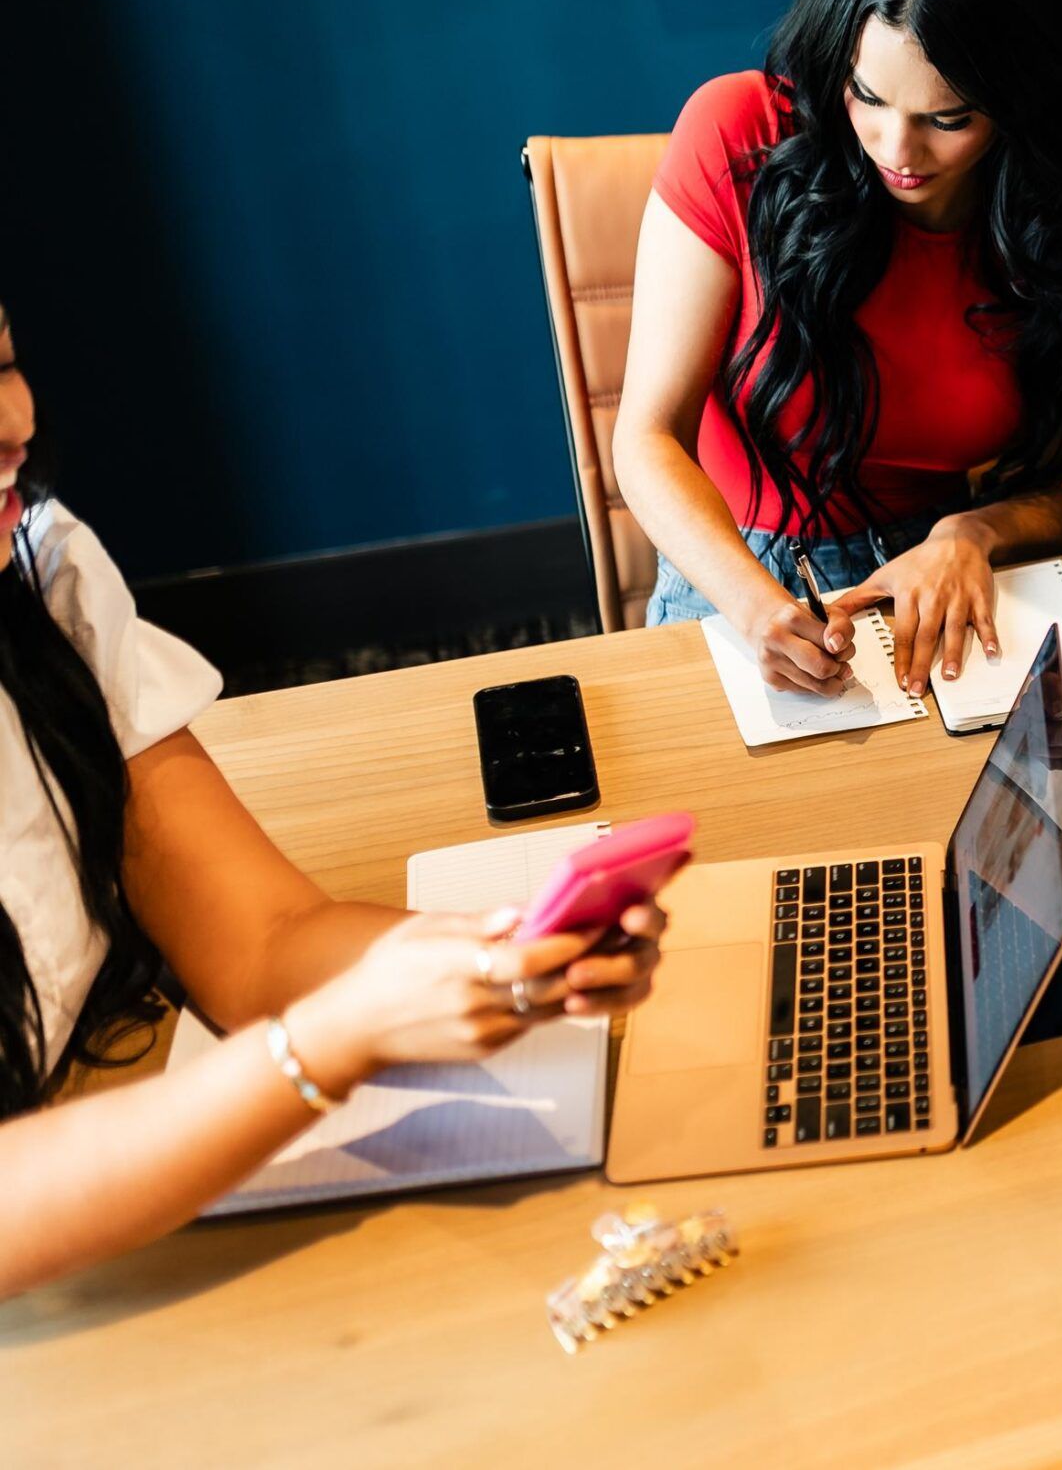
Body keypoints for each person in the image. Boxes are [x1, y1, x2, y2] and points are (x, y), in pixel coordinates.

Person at [0, 303, 667, 1298]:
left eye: (6, 362)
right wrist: (325, 1042)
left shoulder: (42, 572)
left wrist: (495, 958)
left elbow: (263, 937)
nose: (17, 421)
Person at [619, 0, 1062, 697]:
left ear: (1017, 108)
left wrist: (971, 532)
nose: (896, 148)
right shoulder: (737, 132)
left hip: (945, 565)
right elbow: (646, 439)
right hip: (739, 567)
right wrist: (752, 604)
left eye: (948, 119)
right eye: (867, 96)